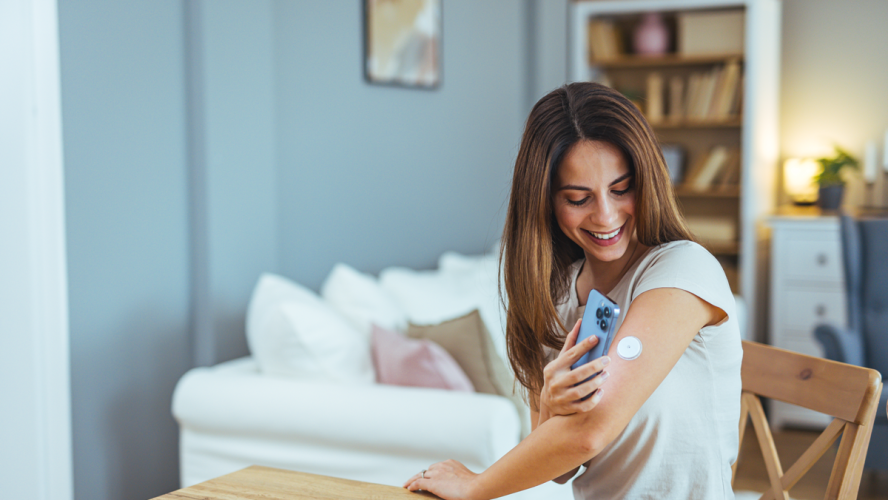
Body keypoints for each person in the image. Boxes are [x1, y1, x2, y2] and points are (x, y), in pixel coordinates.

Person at [403, 82, 742, 499]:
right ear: (546, 202)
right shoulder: (553, 296)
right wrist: (550, 404)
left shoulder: (683, 270)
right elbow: (560, 468)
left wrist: (476, 486)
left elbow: (588, 433)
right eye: (579, 199)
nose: (606, 215)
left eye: (621, 189)